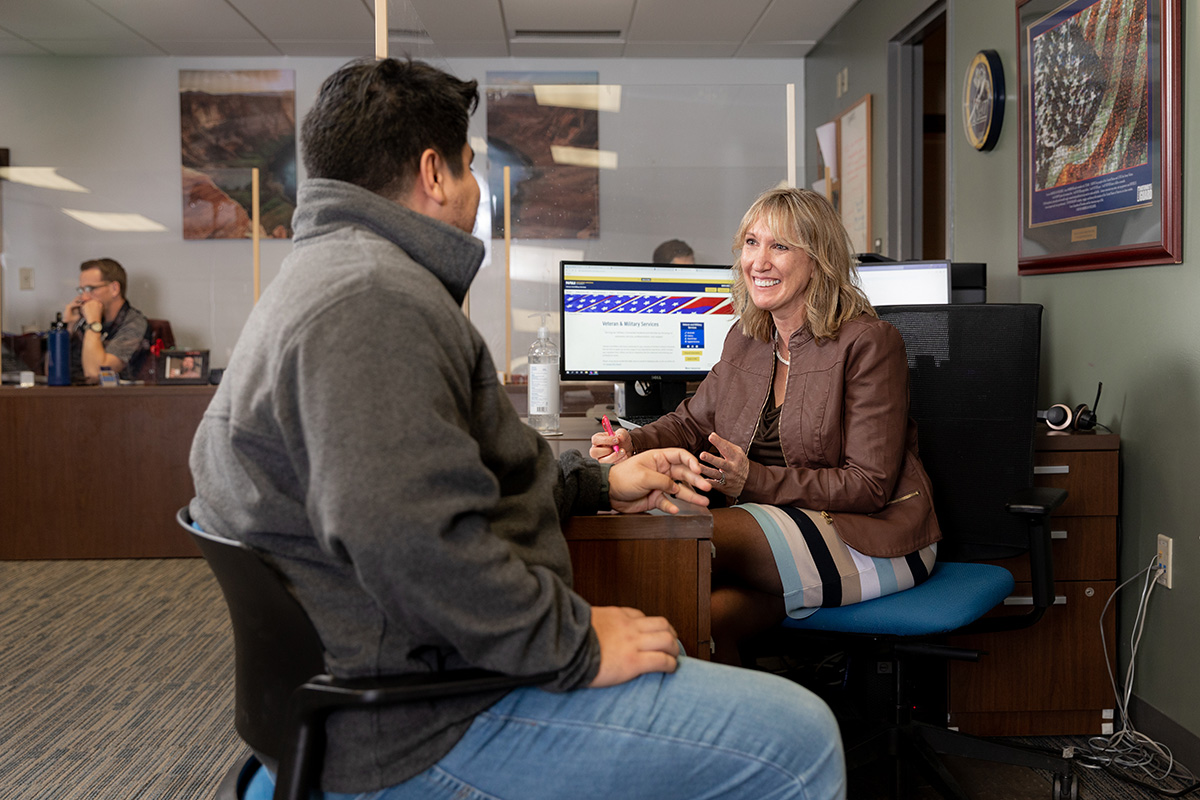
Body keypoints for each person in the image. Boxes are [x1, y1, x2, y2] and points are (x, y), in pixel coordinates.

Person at [189, 58, 844, 800]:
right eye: (470, 168)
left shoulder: (325, 278)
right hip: (422, 718)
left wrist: (597, 481)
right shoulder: (374, 303)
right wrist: (574, 645)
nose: (476, 193)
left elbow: (442, 476)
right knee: (802, 738)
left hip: (380, 684)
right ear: (434, 173)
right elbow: (407, 538)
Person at [593, 188, 943, 666]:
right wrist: (633, 441)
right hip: (776, 532)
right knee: (701, 620)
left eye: (780, 246)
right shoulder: (747, 338)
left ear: (817, 260)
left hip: (873, 537)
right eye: (751, 243)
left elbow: (870, 486)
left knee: (673, 538)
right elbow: (692, 421)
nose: (759, 261)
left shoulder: (869, 343)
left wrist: (752, 480)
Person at [63, 258, 149, 384]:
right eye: (82, 290)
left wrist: (93, 323)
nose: (84, 297)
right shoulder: (83, 321)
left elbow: (95, 374)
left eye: (91, 289)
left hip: (118, 401)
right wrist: (67, 328)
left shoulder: (135, 323)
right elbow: (52, 373)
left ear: (114, 288)